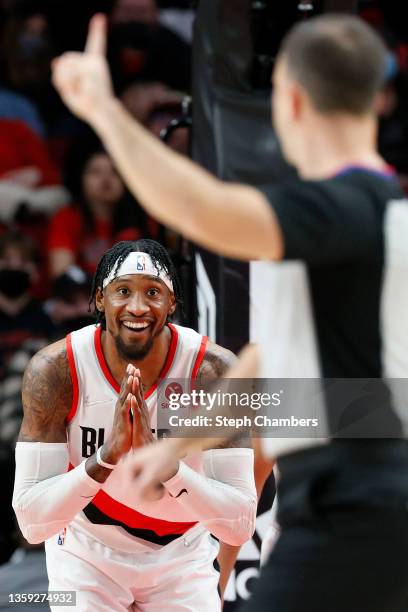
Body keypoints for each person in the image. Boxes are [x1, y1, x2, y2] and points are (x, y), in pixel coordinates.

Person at [52, 13, 408, 611]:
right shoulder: (381, 211)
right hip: (366, 498)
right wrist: (178, 446)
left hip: (355, 499)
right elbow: (269, 363)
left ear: (288, 101)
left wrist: (103, 111)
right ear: (379, 97)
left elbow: (204, 209)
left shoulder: (341, 207)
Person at [12, 238, 257, 611]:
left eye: (153, 292)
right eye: (122, 291)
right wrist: (107, 457)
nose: (138, 307)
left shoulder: (212, 372)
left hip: (182, 553)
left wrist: (168, 466)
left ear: (172, 304)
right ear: (99, 299)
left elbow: (238, 526)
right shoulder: (57, 370)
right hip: (85, 551)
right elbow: (32, 524)